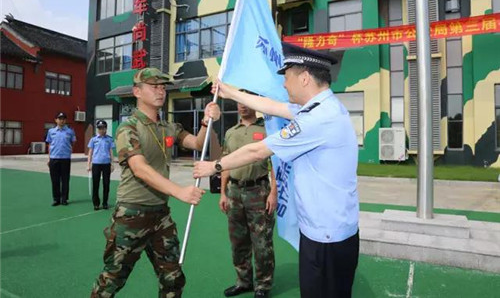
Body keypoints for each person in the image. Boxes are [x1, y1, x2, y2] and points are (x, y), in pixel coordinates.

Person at [194, 43, 360, 298]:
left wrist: (214, 166)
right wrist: (229, 92)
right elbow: (272, 106)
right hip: (329, 229)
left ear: (304, 78)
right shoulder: (321, 107)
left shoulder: (317, 119)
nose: (284, 84)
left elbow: (257, 151)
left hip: (327, 237)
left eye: (288, 77)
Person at [90, 67, 220, 298]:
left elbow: (197, 144)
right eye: (154, 87)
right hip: (132, 214)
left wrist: (205, 121)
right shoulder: (128, 127)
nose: (161, 92)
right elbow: (140, 168)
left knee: (173, 278)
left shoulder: (168, 126)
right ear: (137, 92)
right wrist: (179, 191)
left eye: (163, 87)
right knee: (112, 279)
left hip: (160, 215)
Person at [220, 91, 277, 298]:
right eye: (239, 102)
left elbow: (275, 165)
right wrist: (223, 193)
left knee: (262, 242)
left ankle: (263, 285)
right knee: (238, 241)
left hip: (259, 191)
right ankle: (243, 281)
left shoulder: (267, 130)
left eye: (246, 102)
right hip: (234, 191)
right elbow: (225, 163)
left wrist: (273, 193)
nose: (242, 106)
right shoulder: (230, 132)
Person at [46, 112, 76, 206]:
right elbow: (49, 145)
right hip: (54, 158)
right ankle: (56, 199)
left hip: (65, 158)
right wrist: (49, 158)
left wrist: (68, 151)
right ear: (56, 120)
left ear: (65, 120)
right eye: (60, 118)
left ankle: (64, 199)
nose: (62, 120)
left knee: (65, 179)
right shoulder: (51, 131)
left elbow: (73, 143)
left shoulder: (70, 131)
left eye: (63, 119)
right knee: (55, 180)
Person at [87, 120, 115, 210]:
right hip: (96, 164)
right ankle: (96, 203)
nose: (101, 130)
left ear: (106, 129)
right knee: (96, 184)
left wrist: (112, 164)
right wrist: (88, 164)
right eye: (99, 128)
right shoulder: (93, 139)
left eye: (103, 128)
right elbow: (90, 152)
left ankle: (105, 202)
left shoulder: (109, 139)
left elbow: (111, 152)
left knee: (106, 184)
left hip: (106, 164)